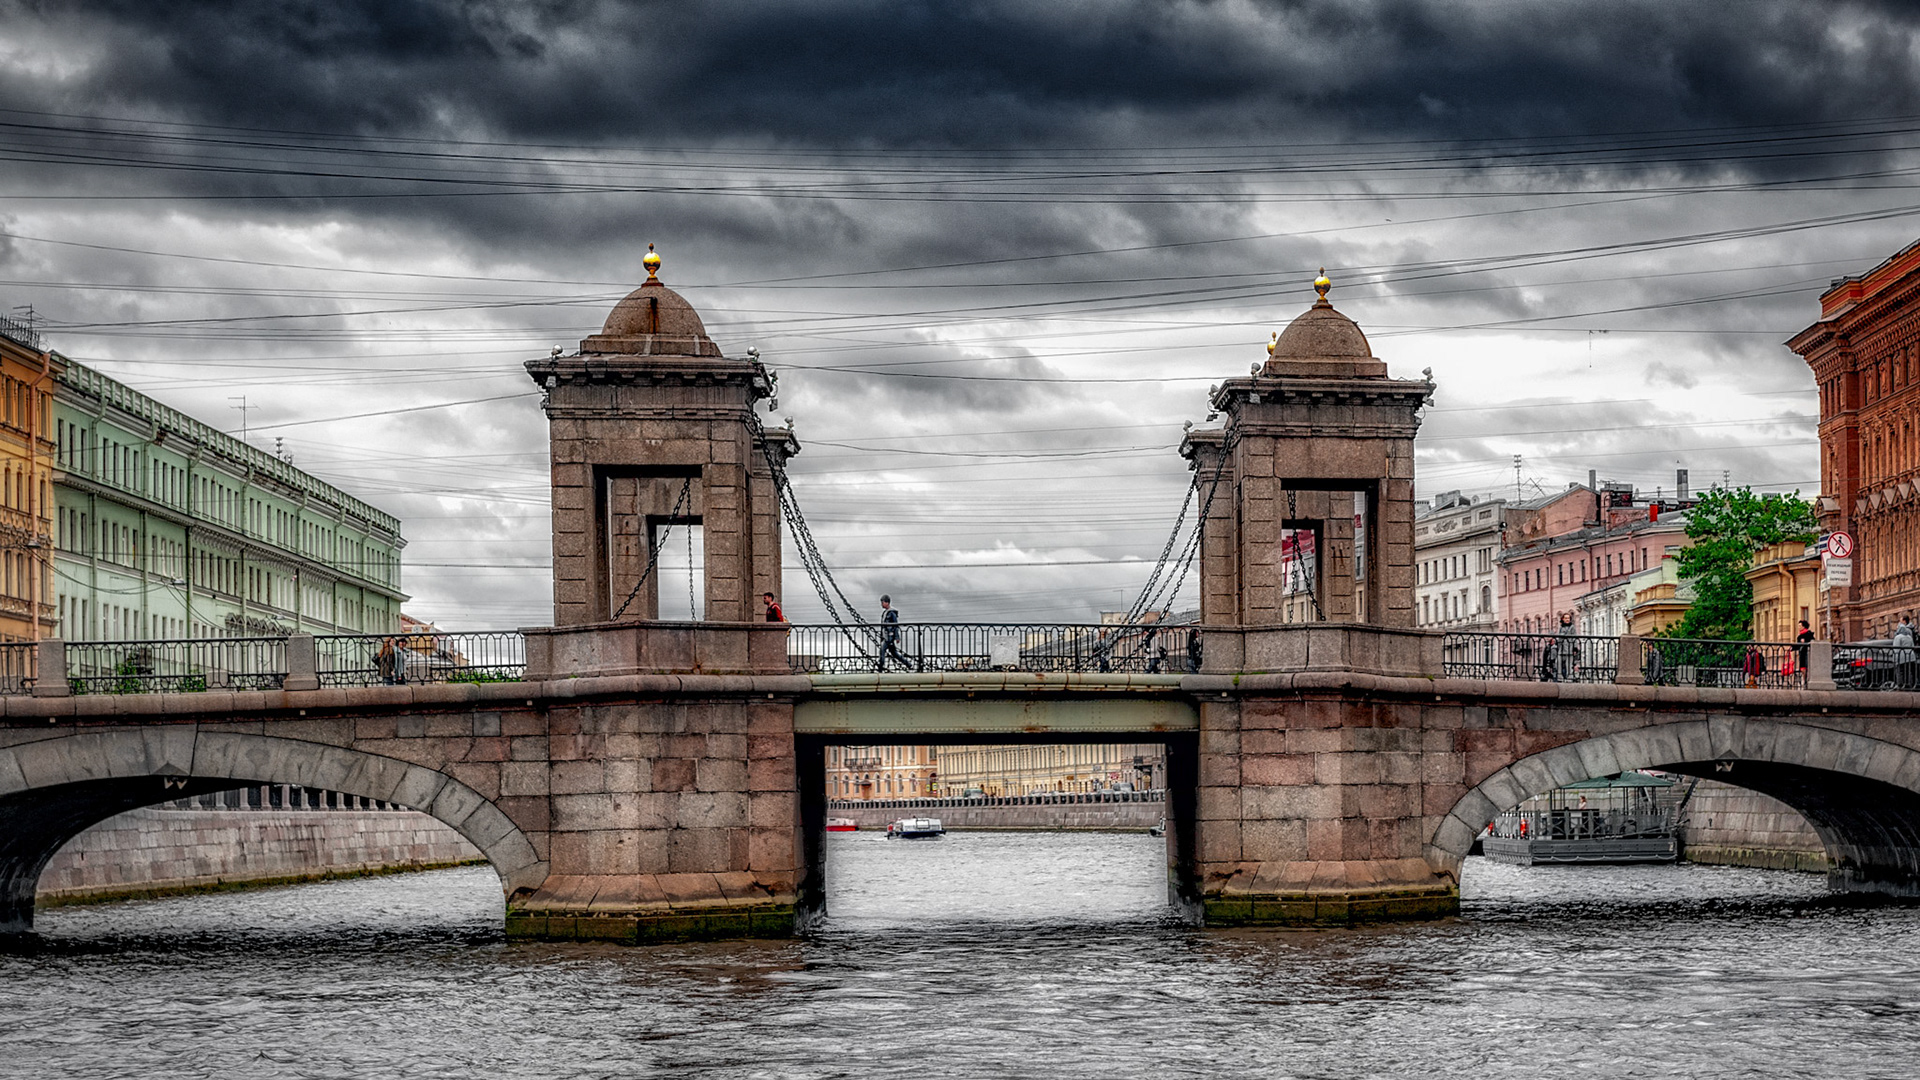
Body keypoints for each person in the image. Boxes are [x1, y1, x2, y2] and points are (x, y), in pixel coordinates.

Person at [877, 594, 911, 671]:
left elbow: (895, 625)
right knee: (894, 653)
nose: (881, 604)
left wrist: (897, 637)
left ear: (887, 603)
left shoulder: (891, 613)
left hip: (889, 636)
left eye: (882, 602)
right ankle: (908, 664)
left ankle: (880, 667)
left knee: (882, 649)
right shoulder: (885, 613)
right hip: (886, 636)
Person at [1897, 614, 1917, 690]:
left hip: (1903, 656)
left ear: (1904, 621)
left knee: (1901, 672)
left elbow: (1896, 647)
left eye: (1900, 621)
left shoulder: (1901, 635)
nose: (1899, 623)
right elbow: (1912, 645)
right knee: (1909, 672)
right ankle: (1910, 686)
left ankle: (1902, 687)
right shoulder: (1910, 632)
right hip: (1911, 656)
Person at [1795, 619, 1815, 684]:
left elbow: (1813, 642)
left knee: (1807, 667)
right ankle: (1804, 680)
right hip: (1802, 653)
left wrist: (1805, 642)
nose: (1798, 627)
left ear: (1804, 627)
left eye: (1800, 626)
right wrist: (1792, 648)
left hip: (1808, 653)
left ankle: (1807, 681)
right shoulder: (1799, 636)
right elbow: (1798, 645)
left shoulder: (1809, 634)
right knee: (1802, 669)